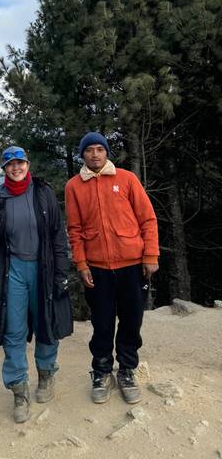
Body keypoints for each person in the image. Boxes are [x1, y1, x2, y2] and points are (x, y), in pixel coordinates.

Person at [65, 132, 159, 405]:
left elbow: (148, 219)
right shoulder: (74, 186)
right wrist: (81, 263)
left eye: (100, 149)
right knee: (102, 321)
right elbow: (75, 229)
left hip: (132, 265)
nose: (95, 154)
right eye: (89, 150)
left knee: (132, 320)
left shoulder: (126, 179)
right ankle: (102, 370)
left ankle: (127, 369)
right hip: (97, 267)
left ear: (106, 153)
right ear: (82, 155)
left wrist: (150, 254)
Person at [0, 146, 73, 423]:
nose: (16, 168)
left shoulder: (42, 192)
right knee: (14, 330)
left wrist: (61, 272)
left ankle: (45, 376)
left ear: (27, 164)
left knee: (47, 323)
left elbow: (58, 234)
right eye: (10, 164)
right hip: (13, 270)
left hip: (43, 267)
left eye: (20, 162)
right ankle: (19, 390)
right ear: (4, 169)